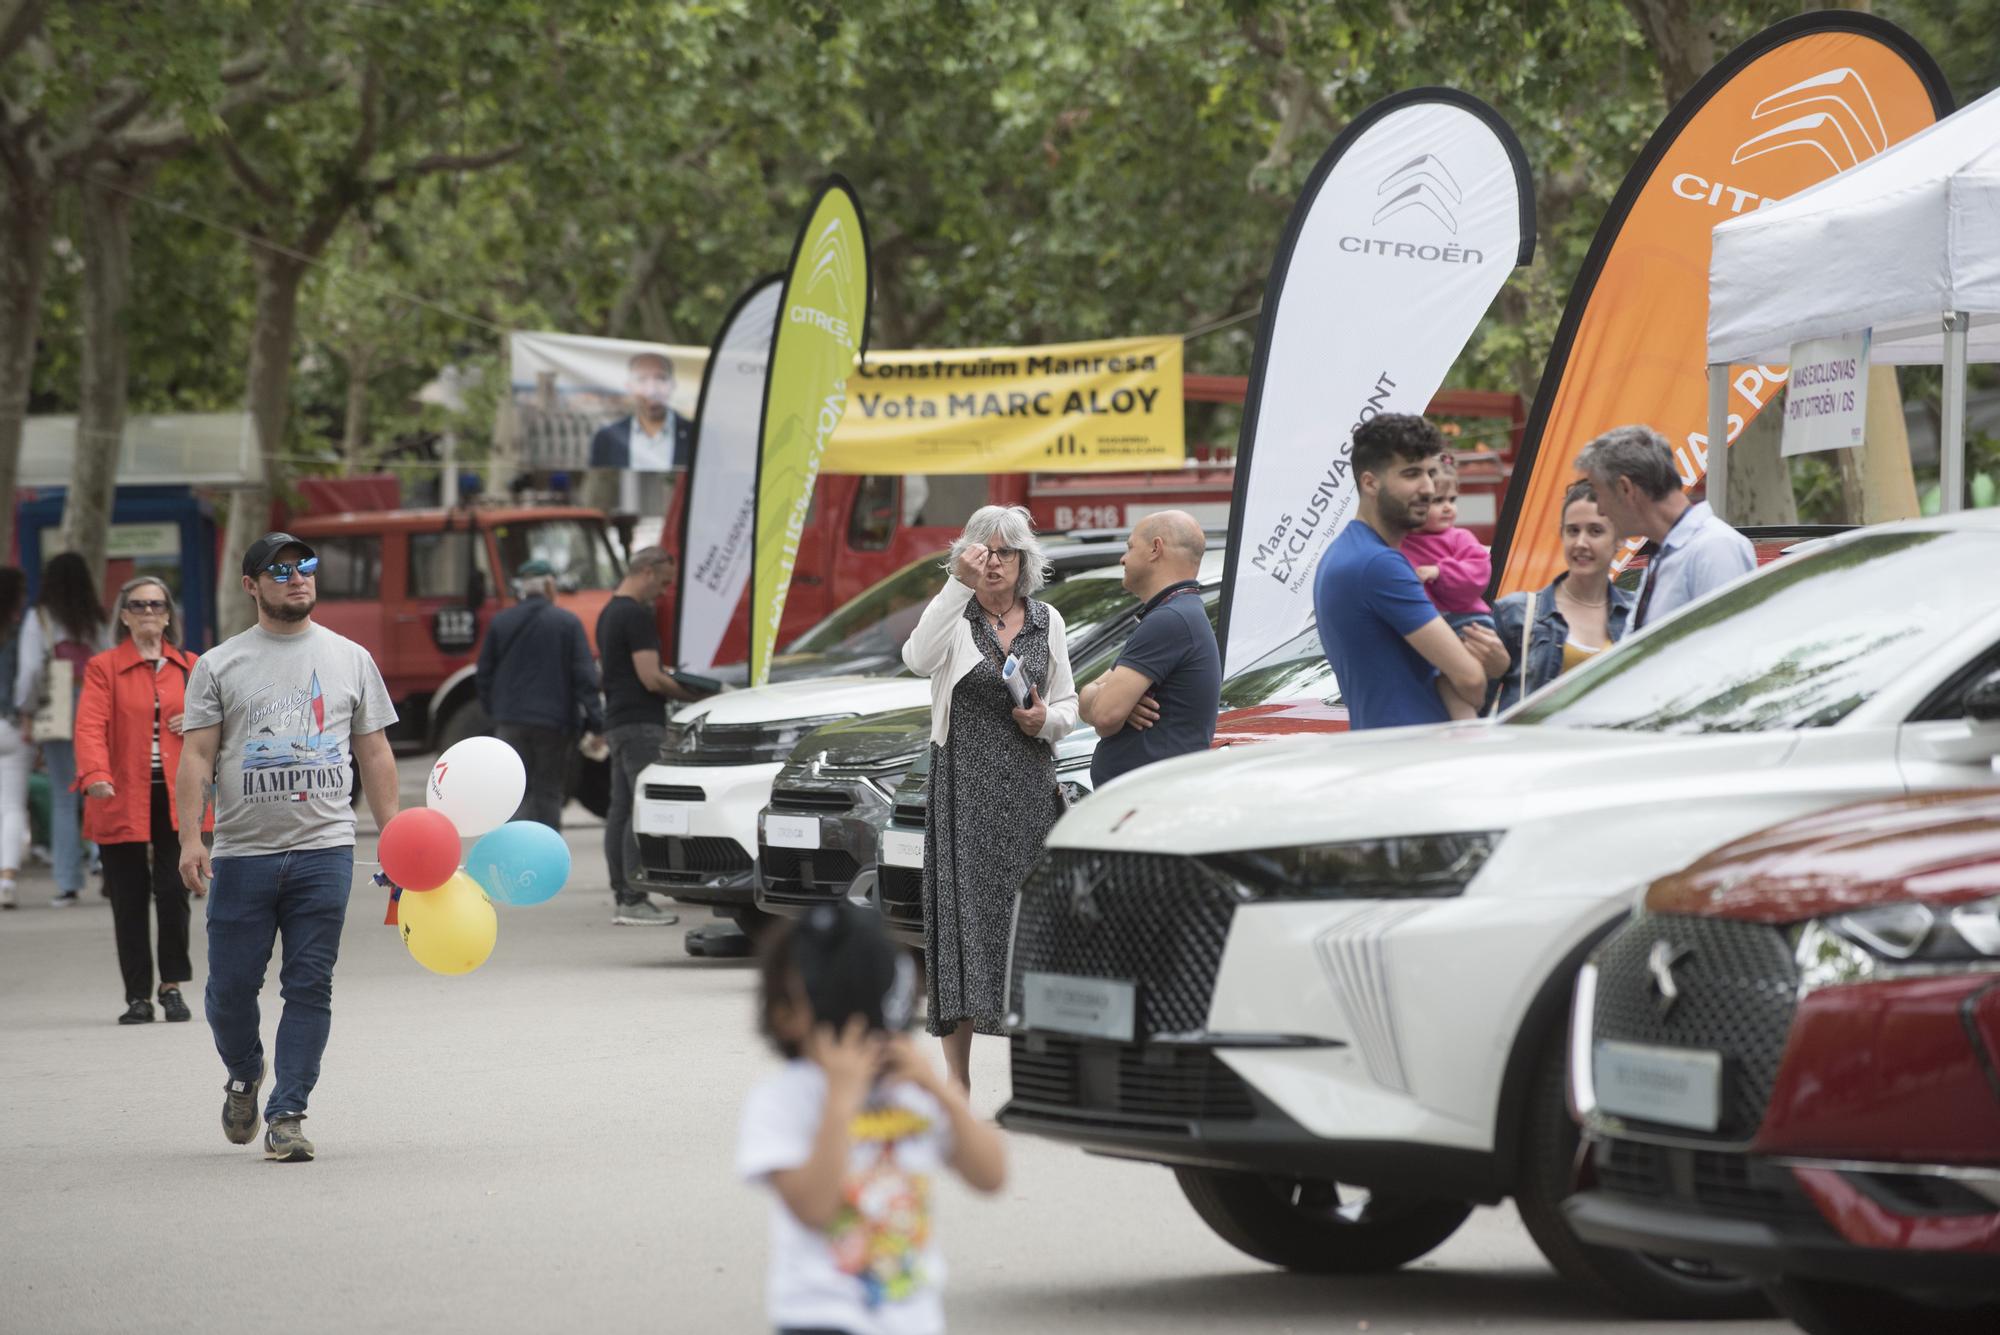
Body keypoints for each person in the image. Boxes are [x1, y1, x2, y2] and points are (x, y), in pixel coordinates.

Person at [177, 533, 400, 1164]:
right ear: (251, 586)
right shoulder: (220, 664)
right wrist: (191, 836)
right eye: (279, 570)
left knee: (309, 986)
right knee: (227, 992)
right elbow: (196, 754)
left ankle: (288, 1114)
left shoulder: (351, 658)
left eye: (305, 566)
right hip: (243, 853)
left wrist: (397, 839)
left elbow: (375, 753)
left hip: (323, 849)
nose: (297, 577)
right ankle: (245, 1073)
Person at [739, 904, 1005, 1335]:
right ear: (782, 1016)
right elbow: (812, 1206)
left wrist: (940, 1091)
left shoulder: (908, 1094)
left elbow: (991, 1175)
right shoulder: (781, 1101)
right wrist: (841, 1101)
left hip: (911, 1317)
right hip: (822, 1319)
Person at [902, 504, 1078, 1089]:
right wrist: (957, 582)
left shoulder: (1045, 619)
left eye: (1005, 552)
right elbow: (915, 659)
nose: (994, 563)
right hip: (965, 792)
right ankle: (959, 1080)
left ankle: (1033, 1081)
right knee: (963, 929)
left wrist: (1045, 719)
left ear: (1025, 559)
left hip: (1028, 789)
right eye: (983, 552)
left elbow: (1069, 704)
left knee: (1029, 929)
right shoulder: (955, 615)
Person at [1314, 414, 1510, 729]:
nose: (1428, 488)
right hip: (1416, 756)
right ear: (1370, 482)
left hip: (1393, 749)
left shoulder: (1343, 553)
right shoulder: (1379, 564)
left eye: (1431, 474)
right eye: (1411, 474)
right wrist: (1495, 666)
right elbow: (1471, 679)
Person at [75, 578, 208, 1024]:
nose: (149, 611)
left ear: (169, 614)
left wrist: (197, 722)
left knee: (174, 893)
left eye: (157, 604)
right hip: (120, 793)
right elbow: (90, 725)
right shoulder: (104, 667)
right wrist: (95, 774)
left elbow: (222, 725)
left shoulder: (192, 666)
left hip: (179, 796)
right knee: (128, 899)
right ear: (125, 615)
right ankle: (137, 996)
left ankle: (171, 986)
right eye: (138, 605)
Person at [1080, 510, 1221, 787]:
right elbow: (1087, 703)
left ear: (1156, 548)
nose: (1123, 558)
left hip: (1150, 801)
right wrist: (1113, 699)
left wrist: (1110, 699)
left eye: (1130, 547)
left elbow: (1104, 716)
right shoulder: (1176, 614)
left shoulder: (1170, 620)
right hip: (1149, 799)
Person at [596, 546, 699, 926]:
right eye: (665, 581)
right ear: (647, 571)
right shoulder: (635, 615)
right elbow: (650, 677)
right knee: (640, 808)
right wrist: (694, 693)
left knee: (621, 808)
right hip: (641, 722)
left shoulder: (609, 612)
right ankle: (633, 897)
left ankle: (623, 892)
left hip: (618, 721)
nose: (665, 590)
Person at [1575, 423, 1755, 632]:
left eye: (1599, 494)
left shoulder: (1715, 548)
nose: (1600, 509)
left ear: (1625, 489)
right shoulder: (1665, 552)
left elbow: (1729, 649)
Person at [475, 558, 603, 829]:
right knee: (548, 791)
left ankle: (514, 853)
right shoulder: (567, 622)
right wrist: (596, 721)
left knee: (514, 792)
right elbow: (584, 676)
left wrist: (495, 712)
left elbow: (483, 673)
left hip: (510, 721)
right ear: (548, 585)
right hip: (554, 724)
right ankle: (546, 854)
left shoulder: (502, 622)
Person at [1490, 480, 1638, 713]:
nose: (1580, 543)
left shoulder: (1639, 613)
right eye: (1572, 531)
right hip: (1538, 748)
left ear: (1620, 538)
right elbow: (1475, 704)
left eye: (1595, 531)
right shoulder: (1516, 613)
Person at [18, 551, 109, 906]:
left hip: (56, 705)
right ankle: (105, 862)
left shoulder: (40, 618)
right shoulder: (95, 617)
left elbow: (29, 673)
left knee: (62, 794)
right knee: (99, 786)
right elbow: (110, 657)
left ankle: (67, 882)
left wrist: (27, 711)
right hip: (97, 701)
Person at [1400, 452, 1495, 632]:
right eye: (1437, 500)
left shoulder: (1460, 537)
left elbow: (1479, 572)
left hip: (1467, 619)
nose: (1447, 507)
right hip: (1424, 623)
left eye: (1452, 499)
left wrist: (1440, 572)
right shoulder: (1400, 541)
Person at [587, 351, 693, 471]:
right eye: (642, 379)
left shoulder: (697, 435)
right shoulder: (606, 438)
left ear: (672, 385)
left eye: (660, 378)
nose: (652, 390)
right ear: (629, 386)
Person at [0, 568, 30, 910]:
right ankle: (7, 878)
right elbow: (29, 676)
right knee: (11, 806)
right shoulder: (20, 631)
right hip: (11, 725)